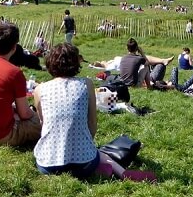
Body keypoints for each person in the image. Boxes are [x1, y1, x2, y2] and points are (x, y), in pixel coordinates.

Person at [32, 43, 130, 179]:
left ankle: (104, 170)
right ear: (76, 62)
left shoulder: (39, 90)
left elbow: (43, 123)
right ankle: (116, 172)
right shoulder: (86, 84)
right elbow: (92, 123)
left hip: (47, 165)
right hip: (84, 164)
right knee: (98, 153)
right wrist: (84, 145)